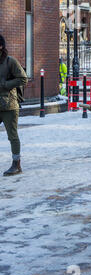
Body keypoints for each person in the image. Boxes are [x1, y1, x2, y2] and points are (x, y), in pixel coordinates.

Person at [0, 34, 28, 176]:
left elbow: (23, 79)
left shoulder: (10, 62)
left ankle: (16, 164)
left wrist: (5, 84)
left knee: (12, 135)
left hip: (9, 105)